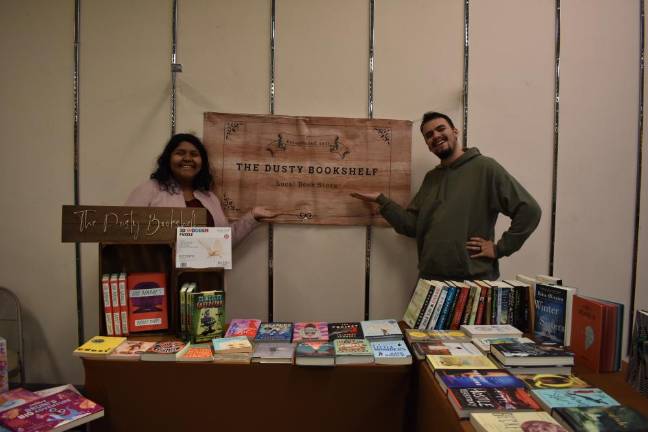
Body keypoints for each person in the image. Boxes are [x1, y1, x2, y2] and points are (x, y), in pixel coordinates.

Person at [351, 111, 541, 280]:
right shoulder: (431, 178)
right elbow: (412, 227)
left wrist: (499, 248)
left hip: (472, 282)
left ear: (455, 131)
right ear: (427, 145)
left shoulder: (485, 168)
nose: (436, 136)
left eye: (441, 129)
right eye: (429, 135)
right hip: (430, 281)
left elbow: (529, 210)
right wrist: (381, 200)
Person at [126, 133, 278, 246]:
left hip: (207, 280)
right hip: (162, 280)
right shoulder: (150, 189)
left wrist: (252, 217)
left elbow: (222, 242)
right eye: (180, 153)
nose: (187, 158)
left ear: (202, 162)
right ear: (168, 159)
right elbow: (125, 233)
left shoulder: (209, 198)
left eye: (194, 154)